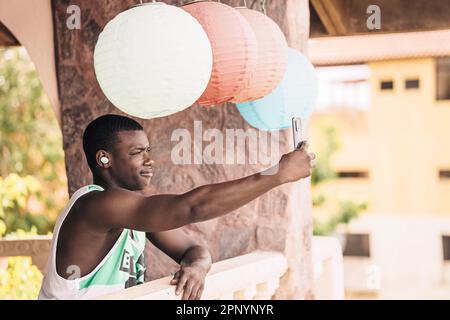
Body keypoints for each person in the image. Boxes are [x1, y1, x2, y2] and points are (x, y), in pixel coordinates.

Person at [38, 114, 316, 300]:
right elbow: (192, 207)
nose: (149, 161)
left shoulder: (132, 211)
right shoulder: (98, 204)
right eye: (137, 153)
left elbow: (194, 250)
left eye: (148, 151)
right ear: (104, 159)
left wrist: (197, 267)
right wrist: (277, 174)